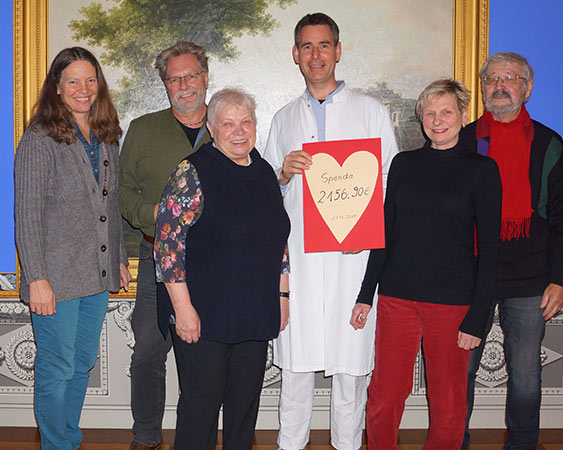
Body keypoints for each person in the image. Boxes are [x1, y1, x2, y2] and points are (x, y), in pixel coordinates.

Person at [263, 13, 398, 450]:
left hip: (353, 263)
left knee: (350, 375)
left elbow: (390, 191)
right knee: (296, 375)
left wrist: (368, 231)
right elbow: (261, 195)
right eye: (306, 46)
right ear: (295, 56)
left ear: (338, 51)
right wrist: (282, 174)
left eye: (324, 45)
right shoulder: (284, 119)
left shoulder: (370, 112)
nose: (315, 55)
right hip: (298, 264)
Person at [351, 79, 501, 449]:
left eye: (446, 111)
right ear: (421, 119)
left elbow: (492, 251)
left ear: (462, 116)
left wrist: (477, 317)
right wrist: (365, 295)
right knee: (384, 397)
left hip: (452, 305)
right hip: (397, 298)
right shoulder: (403, 164)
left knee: (449, 404)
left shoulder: (483, 171)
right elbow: (385, 234)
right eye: (429, 113)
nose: (438, 120)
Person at [154, 88, 290, 449]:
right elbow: (167, 247)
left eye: (246, 121)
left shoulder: (263, 173)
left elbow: (279, 238)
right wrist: (183, 310)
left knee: (244, 411)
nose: (239, 130)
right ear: (212, 128)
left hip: (254, 313)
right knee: (200, 410)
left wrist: (283, 295)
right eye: (228, 123)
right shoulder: (192, 172)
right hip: (203, 317)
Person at [461, 52, 563, 450]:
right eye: (491, 79)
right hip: (470, 275)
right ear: (482, 90)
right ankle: (453, 440)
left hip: (531, 277)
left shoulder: (550, 145)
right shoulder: (464, 142)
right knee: (459, 370)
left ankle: (524, 444)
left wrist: (561, 280)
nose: (499, 85)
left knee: (527, 374)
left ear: (527, 88)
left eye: (509, 78)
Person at [14, 46, 131, 450]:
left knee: (81, 364)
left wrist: (117, 258)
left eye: (90, 80)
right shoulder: (39, 138)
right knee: (57, 368)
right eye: (73, 81)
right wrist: (37, 279)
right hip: (56, 279)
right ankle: (57, 444)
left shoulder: (106, 135)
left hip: (96, 274)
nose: (84, 89)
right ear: (58, 89)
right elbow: (26, 215)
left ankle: (68, 439)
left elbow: (110, 206)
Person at [118, 41, 212, 450]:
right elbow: (120, 194)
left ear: (206, 78)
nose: (185, 85)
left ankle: (197, 438)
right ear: (165, 84)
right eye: (175, 78)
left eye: (191, 75)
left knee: (204, 358)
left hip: (215, 264)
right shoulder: (142, 129)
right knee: (148, 354)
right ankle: (145, 437)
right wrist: (152, 212)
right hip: (155, 258)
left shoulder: (228, 125)